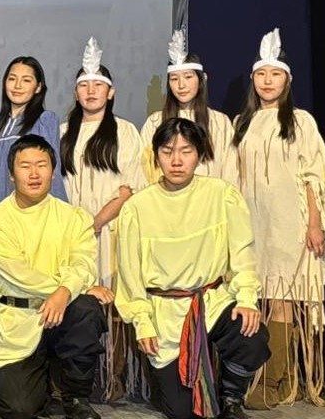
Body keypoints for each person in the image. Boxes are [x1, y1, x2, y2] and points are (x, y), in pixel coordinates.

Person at [115, 118, 268, 419]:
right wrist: (142, 322)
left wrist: (247, 299)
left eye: (186, 151)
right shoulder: (137, 207)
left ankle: (231, 399)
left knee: (251, 336)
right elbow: (129, 274)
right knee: (182, 412)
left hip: (211, 301)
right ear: (155, 156)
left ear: (199, 154)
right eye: (167, 151)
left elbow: (242, 253)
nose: (176, 161)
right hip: (164, 312)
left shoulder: (221, 194)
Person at [230, 29, 325, 408]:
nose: (267, 81)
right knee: (257, 297)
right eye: (261, 74)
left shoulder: (301, 121)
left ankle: (273, 381)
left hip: (290, 224)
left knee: (283, 298)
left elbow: (314, 176)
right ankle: (272, 376)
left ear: (287, 80)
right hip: (253, 224)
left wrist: (315, 224)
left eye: (275, 74)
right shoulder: (241, 123)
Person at [0, 134, 107, 419]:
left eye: (42, 165)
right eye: (25, 166)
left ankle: (75, 397)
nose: (34, 174)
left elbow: (84, 262)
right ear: (11, 174)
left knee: (86, 309)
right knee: (18, 410)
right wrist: (68, 288)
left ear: (53, 170)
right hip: (18, 319)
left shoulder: (73, 216)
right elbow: (20, 274)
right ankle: (43, 387)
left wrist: (66, 293)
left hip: (63, 313)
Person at [58, 37, 146, 402]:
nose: (91, 91)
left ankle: (114, 377)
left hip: (111, 229)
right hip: (71, 233)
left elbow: (130, 188)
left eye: (98, 85)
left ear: (111, 92)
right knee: (79, 299)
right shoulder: (64, 132)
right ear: (76, 92)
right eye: (84, 85)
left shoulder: (125, 131)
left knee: (114, 300)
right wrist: (75, 229)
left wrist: (94, 223)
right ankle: (81, 379)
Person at [139, 29, 238, 186]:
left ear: (202, 79)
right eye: (174, 79)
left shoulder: (220, 122)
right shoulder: (155, 122)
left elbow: (231, 172)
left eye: (188, 77)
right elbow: (145, 170)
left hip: (209, 199)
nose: (181, 85)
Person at [0, 56, 66, 204]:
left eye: (26, 80)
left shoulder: (44, 120)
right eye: (12, 79)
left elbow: (52, 170)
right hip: (0, 208)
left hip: (32, 209)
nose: (17, 86)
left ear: (38, 87)